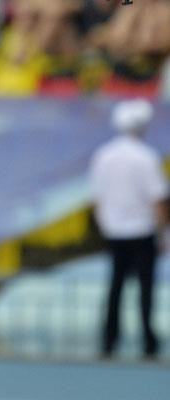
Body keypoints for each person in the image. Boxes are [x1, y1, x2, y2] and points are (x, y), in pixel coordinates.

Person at [89, 99, 168, 359]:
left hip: (114, 232)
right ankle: (148, 342)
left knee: (116, 287)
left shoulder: (103, 155)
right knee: (145, 291)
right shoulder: (146, 157)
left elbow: (97, 197)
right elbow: (157, 200)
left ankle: (109, 340)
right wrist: (163, 234)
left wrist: (105, 224)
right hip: (141, 231)